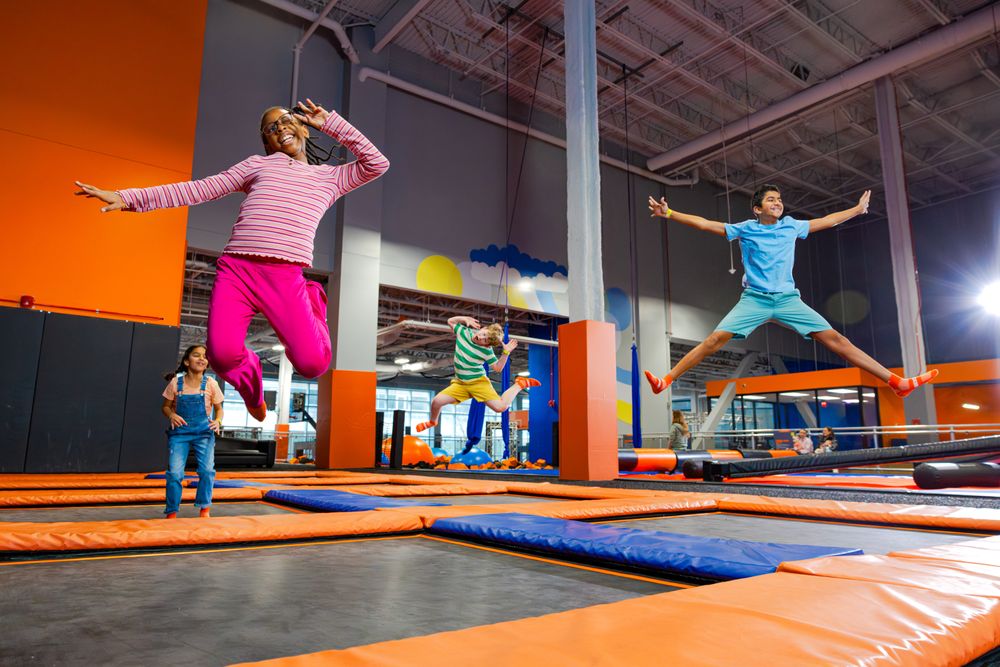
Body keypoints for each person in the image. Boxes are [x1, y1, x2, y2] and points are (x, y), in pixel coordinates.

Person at [76, 99, 389, 421]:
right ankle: (252, 390)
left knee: (313, 365)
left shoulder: (331, 178)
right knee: (223, 357)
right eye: (271, 127)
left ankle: (313, 300)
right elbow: (200, 189)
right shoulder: (258, 165)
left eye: (285, 120)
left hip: (285, 274)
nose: (280, 127)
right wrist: (129, 197)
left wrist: (332, 124)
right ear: (267, 142)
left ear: (306, 131)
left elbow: (377, 164)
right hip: (237, 270)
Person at [643, 186, 937, 398]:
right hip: (755, 300)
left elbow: (827, 220)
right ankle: (665, 381)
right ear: (757, 209)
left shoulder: (791, 227)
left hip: (787, 300)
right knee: (714, 340)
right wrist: (670, 213)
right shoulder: (746, 228)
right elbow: (707, 224)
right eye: (771, 200)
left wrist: (857, 210)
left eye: (780, 200)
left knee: (836, 340)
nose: (778, 203)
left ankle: (896, 382)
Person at [415, 316, 541, 433]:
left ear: (487, 345)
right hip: (461, 383)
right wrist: (464, 319)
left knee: (500, 407)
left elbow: (497, 368)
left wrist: (505, 353)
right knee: (436, 401)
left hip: (478, 383)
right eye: (483, 334)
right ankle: (433, 421)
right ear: (483, 328)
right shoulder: (464, 332)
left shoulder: (486, 351)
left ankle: (520, 384)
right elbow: (450, 321)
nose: (481, 338)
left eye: (484, 340)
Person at [161, 345, 224, 518]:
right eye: (197, 355)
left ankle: (204, 507)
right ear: (187, 361)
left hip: (204, 433)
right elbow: (165, 407)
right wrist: (172, 414)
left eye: (205, 356)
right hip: (180, 434)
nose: (202, 358)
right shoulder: (176, 383)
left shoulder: (211, 384)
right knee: (174, 473)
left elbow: (219, 409)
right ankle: (172, 510)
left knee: (206, 471)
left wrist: (218, 421)